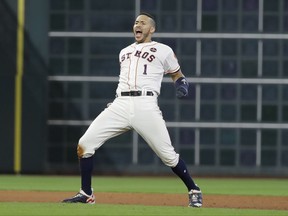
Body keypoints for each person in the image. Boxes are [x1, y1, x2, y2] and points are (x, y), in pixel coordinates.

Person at [62, 12, 202, 208]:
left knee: (167, 155)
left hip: (146, 104)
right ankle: (86, 193)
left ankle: (193, 189)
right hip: (120, 104)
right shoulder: (124, 51)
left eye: (142, 23)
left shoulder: (163, 50)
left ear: (151, 29)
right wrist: (118, 100)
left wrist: (181, 85)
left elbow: (177, 74)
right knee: (84, 144)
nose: (138, 25)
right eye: (136, 22)